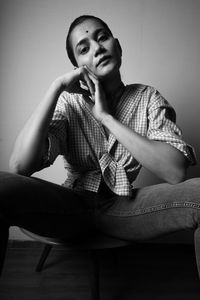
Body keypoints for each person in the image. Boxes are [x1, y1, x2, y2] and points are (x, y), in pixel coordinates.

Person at [1, 15, 200, 277]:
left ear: (117, 46)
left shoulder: (148, 97)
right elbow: (18, 167)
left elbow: (175, 171)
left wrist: (106, 116)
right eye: (84, 48)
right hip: (70, 207)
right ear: (77, 66)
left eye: (102, 37)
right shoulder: (68, 104)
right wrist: (56, 88)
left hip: (125, 209)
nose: (97, 48)